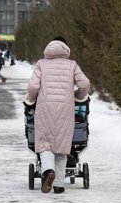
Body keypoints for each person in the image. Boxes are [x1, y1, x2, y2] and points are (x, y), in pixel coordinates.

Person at [24, 36, 90, 194]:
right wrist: (79, 96)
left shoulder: (41, 64)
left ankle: (47, 171)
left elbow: (33, 86)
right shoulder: (72, 65)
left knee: (45, 143)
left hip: (44, 108)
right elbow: (85, 84)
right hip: (66, 110)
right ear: (66, 49)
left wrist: (31, 100)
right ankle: (59, 186)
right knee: (61, 147)